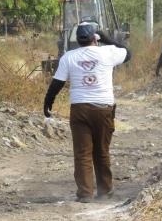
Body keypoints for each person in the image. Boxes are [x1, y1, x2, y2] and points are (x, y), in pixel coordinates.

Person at [43, 22, 131, 203]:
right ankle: (105, 190)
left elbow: (57, 83)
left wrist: (48, 102)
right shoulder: (108, 52)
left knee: (82, 153)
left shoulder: (68, 57)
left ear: (77, 40)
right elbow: (128, 53)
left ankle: (85, 194)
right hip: (103, 110)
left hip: (79, 110)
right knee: (102, 151)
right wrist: (107, 38)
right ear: (95, 38)